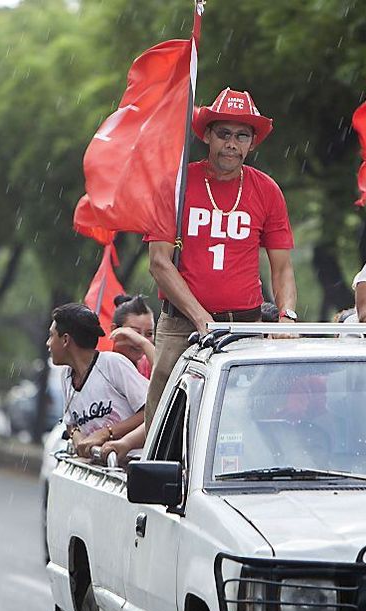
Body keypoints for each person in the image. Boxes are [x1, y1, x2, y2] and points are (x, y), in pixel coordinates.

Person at [144, 88, 298, 428]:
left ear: (252, 144)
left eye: (242, 136)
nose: (232, 143)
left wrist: (286, 316)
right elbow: (159, 262)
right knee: (166, 417)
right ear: (207, 136)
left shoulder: (267, 190)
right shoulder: (178, 184)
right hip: (181, 324)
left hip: (245, 325)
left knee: (242, 418)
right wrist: (201, 319)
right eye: (224, 134)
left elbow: (283, 267)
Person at [45, 303, 148, 458]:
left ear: (65, 340)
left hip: (132, 464)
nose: (48, 343)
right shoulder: (66, 376)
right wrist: (77, 437)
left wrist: (106, 433)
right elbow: (70, 422)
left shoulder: (113, 364)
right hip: (98, 469)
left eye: (51, 336)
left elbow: (150, 411)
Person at [109, 294, 156, 379]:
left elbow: (167, 378)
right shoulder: (104, 363)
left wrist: (145, 344)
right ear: (114, 329)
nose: (141, 339)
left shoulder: (148, 363)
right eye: (135, 333)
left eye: (149, 334)